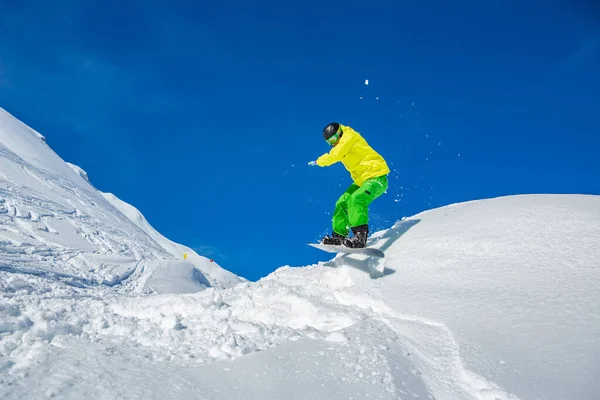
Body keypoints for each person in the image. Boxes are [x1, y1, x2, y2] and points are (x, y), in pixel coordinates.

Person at [308, 122, 390, 248]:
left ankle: (360, 237)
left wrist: (319, 161)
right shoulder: (341, 142)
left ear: (339, 134)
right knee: (342, 202)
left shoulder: (349, 137)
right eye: (329, 142)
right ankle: (339, 236)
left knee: (356, 199)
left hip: (376, 176)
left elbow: (335, 155)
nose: (333, 143)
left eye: (334, 139)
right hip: (362, 180)